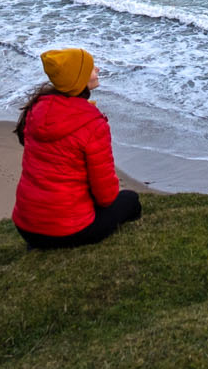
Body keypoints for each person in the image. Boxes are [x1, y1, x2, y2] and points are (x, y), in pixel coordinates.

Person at [10, 47, 143, 250]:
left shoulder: (36, 109)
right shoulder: (92, 124)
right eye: (90, 68)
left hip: (26, 227)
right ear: (78, 79)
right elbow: (106, 196)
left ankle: (41, 244)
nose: (97, 69)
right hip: (69, 231)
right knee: (130, 201)